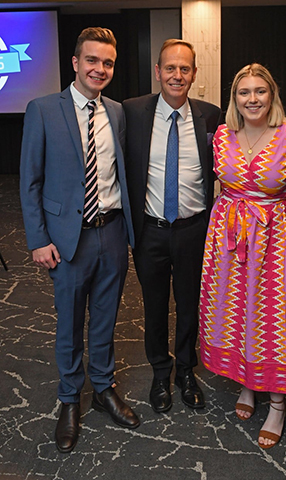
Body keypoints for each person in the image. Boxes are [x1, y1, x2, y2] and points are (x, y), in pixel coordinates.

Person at [19, 27, 140, 454]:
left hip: (112, 232)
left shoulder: (119, 112)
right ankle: (70, 399)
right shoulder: (42, 109)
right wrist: (37, 239)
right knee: (70, 324)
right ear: (75, 63)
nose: (100, 69)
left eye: (107, 62)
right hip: (67, 240)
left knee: (105, 320)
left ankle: (104, 389)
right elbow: (30, 181)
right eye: (92, 60)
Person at [199, 63, 286, 449]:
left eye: (260, 91)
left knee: (270, 315)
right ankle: (249, 384)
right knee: (235, 310)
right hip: (229, 238)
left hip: (276, 238)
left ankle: (277, 402)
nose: (252, 99)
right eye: (244, 92)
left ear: (272, 95)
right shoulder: (223, 136)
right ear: (235, 98)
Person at [123, 39, 222, 413]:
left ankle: (185, 370)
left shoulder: (212, 116)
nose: (177, 75)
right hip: (149, 229)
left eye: (185, 69)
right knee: (154, 305)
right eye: (170, 68)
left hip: (195, 230)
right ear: (158, 71)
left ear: (194, 73)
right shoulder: (132, 112)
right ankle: (159, 372)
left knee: (190, 303)